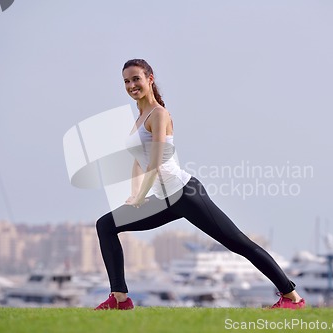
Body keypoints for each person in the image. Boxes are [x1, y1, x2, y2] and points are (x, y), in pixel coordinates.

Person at [94, 59, 305, 310]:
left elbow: (156, 161)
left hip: (185, 194)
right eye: (126, 81)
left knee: (238, 243)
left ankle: (292, 298)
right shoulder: (140, 117)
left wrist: (141, 197)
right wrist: (134, 194)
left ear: (150, 78)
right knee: (106, 225)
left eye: (136, 79)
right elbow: (139, 161)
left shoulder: (159, 114)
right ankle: (119, 298)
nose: (131, 85)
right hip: (165, 200)